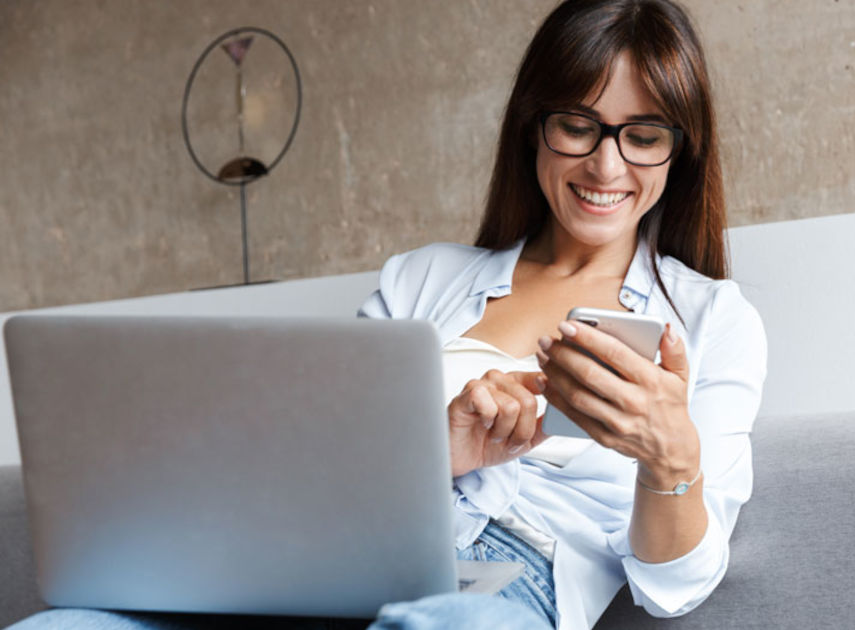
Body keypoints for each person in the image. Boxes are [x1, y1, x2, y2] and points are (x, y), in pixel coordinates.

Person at [10, 1, 765, 629]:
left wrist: (671, 458)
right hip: (330, 560)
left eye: (643, 137)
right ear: (534, 125)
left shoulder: (709, 318)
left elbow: (677, 586)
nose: (606, 166)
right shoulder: (422, 279)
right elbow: (314, 474)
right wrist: (436, 451)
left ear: (678, 152)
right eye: (578, 125)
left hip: (508, 580)